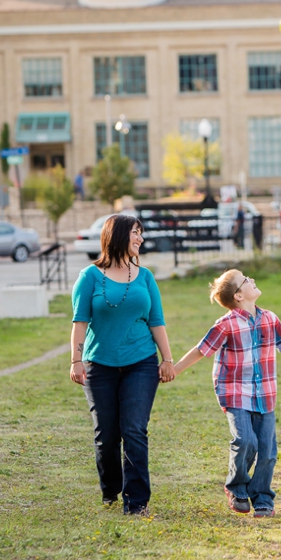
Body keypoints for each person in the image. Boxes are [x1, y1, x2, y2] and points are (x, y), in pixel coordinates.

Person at [173, 269, 281, 517]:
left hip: (264, 393)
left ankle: (262, 496)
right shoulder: (226, 324)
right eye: (246, 280)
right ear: (238, 296)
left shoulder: (270, 319)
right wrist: (174, 369)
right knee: (245, 440)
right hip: (234, 392)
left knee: (267, 450)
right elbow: (201, 350)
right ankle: (237, 488)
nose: (252, 280)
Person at [70, 214, 175, 515]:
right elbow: (80, 322)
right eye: (135, 233)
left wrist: (167, 359)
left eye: (141, 233)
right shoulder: (89, 276)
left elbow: (156, 321)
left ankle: (137, 500)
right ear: (117, 236)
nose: (140, 239)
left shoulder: (145, 277)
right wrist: (76, 360)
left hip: (140, 362)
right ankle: (110, 488)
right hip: (99, 364)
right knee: (106, 434)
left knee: (134, 429)